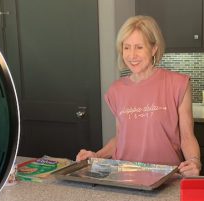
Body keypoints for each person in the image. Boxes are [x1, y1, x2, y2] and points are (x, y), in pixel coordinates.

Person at [76, 15, 201, 177]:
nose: (131, 55)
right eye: (126, 47)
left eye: (139, 47)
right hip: (123, 176)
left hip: (165, 178)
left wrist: (194, 160)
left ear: (154, 48)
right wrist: (97, 156)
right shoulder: (116, 90)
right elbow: (122, 137)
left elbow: (187, 136)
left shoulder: (178, 84)